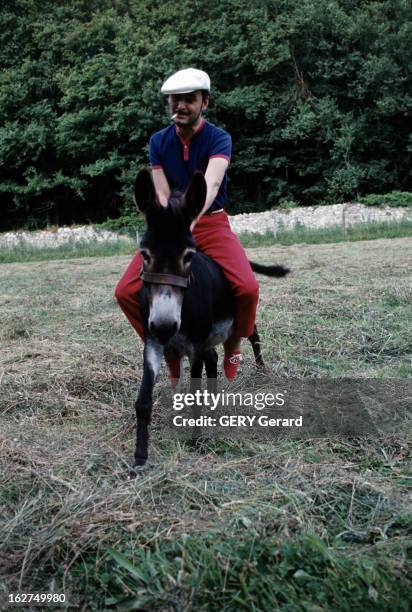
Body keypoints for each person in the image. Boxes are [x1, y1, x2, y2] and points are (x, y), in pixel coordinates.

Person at [115, 68, 259, 381]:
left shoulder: (219, 138)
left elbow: (210, 183)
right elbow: (163, 192)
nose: (180, 105)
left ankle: (234, 343)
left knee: (247, 288)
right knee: (125, 291)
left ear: (204, 102)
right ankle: (168, 349)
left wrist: (188, 221)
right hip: (171, 229)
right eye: (174, 100)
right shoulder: (158, 142)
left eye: (188, 100)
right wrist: (170, 226)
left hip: (210, 222)